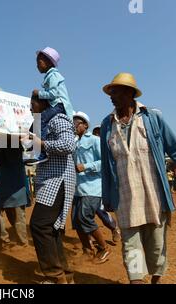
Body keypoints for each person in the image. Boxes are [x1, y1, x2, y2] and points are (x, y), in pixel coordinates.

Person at [100, 72, 176, 284]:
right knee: (130, 246)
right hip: (125, 198)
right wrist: (107, 198)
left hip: (154, 195)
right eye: (110, 92)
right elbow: (107, 166)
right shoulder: (107, 125)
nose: (111, 96)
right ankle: (136, 279)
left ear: (130, 93)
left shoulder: (152, 118)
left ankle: (156, 279)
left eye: (116, 92)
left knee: (156, 246)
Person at [22, 95, 76, 284]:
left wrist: (42, 144)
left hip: (58, 179)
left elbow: (69, 144)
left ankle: (55, 277)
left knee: (39, 225)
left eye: (33, 104)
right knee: (50, 229)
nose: (30, 108)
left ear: (44, 103)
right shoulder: (40, 125)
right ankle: (65, 275)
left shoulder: (58, 119)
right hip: (48, 180)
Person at [71, 111, 111, 264]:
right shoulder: (74, 143)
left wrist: (85, 166)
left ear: (85, 125)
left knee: (84, 217)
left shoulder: (95, 140)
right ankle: (87, 250)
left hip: (92, 187)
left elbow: (104, 161)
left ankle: (104, 247)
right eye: (73, 122)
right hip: (78, 188)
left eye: (77, 123)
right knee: (76, 220)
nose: (74, 125)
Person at [27, 46, 74, 165]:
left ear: (48, 62)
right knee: (34, 126)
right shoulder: (49, 75)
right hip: (55, 104)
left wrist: (39, 93)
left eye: (39, 62)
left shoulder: (53, 75)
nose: (37, 65)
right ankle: (33, 148)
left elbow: (53, 94)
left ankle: (42, 153)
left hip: (59, 105)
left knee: (41, 120)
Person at [0, 146, 29, 251]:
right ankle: (21, 241)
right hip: (15, 186)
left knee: (1, 214)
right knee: (17, 216)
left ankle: (5, 239)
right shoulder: (18, 146)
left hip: (7, 186)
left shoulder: (4, 146)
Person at [88, 125, 121, 243]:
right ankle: (91, 235)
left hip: (104, 182)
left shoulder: (111, 146)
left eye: (100, 133)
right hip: (90, 182)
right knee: (87, 210)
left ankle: (114, 228)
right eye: (95, 133)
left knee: (100, 209)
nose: (98, 135)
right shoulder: (91, 147)